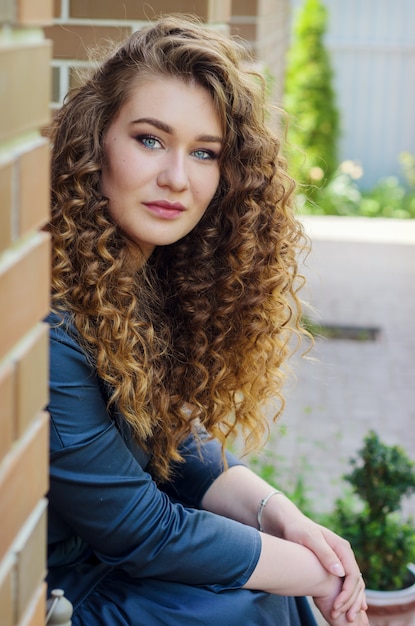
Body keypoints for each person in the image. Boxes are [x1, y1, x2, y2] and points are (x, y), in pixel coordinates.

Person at [45, 15, 368, 626]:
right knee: (260, 592)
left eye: (204, 153)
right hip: (52, 593)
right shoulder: (52, 319)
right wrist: (316, 570)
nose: (177, 177)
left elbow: (172, 443)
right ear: (95, 143)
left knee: (264, 580)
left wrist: (281, 515)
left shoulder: (145, 279)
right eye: (149, 139)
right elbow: (138, 528)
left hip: (101, 572)